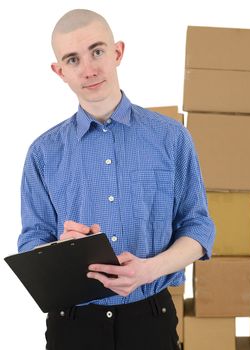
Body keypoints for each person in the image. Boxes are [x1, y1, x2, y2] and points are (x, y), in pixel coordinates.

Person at [18, 8, 215, 350]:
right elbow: (31, 242)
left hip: (150, 320)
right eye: (73, 59)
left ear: (117, 52)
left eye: (97, 51)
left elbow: (198, 229)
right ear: (59, 71)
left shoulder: (171, 138)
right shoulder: (42, 152)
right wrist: (59, 250)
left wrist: (149, 270)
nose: (89, 69)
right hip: (73, 326)